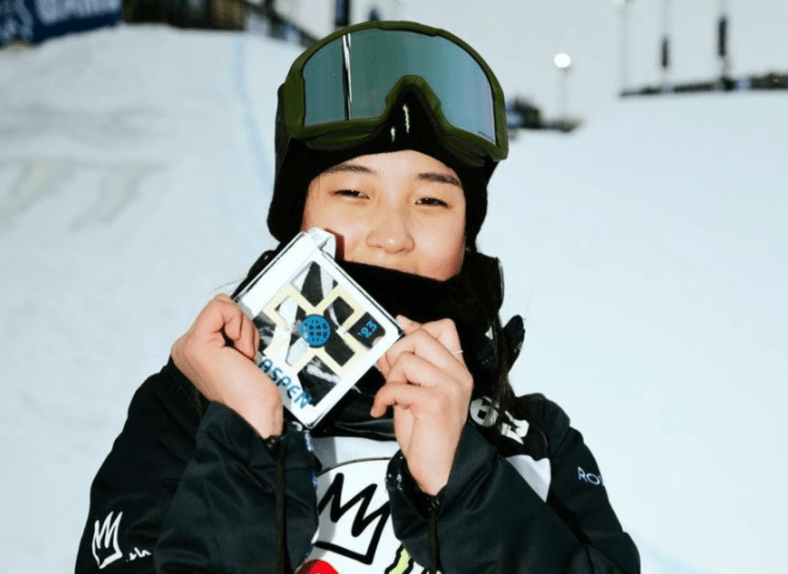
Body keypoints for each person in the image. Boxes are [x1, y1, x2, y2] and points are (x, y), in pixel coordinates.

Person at [75, 20, 640, 574]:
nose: (392, 236)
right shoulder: (190, 410)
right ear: (299, 220)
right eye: (352, 191)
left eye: (431, 201)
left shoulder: (535, 443)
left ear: (467, 237)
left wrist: (465, 485)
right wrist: (246, 443)